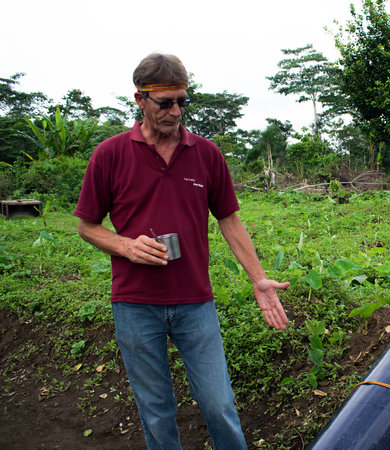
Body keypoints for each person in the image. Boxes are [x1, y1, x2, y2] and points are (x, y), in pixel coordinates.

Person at [74, 53, 289, 449]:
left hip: (195, 302)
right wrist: (125, 245)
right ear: (140, 99)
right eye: (166, 102)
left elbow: (229, 219)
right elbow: (86, 226)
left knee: (219, 402)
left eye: (183, 101)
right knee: (156, 410)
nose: (176, 111)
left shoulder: (206, 154)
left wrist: (259, 279)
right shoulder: (110, 155)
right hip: (135, 304)